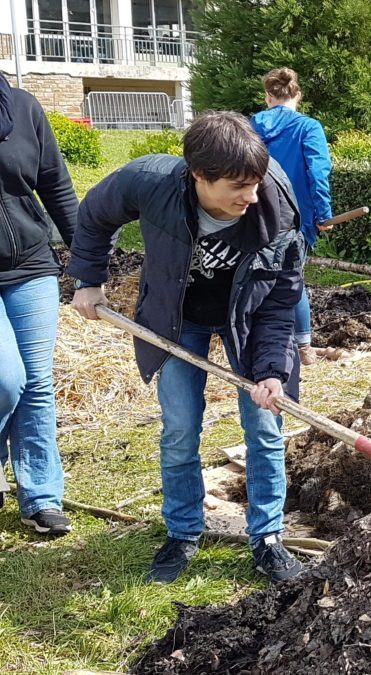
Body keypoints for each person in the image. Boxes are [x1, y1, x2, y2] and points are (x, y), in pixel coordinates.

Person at [67, 112, 307, 584]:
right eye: (238, 186)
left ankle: (268, 538)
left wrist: (272, 370)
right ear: (199, 174)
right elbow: (94, 213)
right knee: (179, 429)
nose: (251, 196)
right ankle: (182, 531)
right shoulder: (150, 180)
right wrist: (89, 280)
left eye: (256, 182)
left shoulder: (275, 207)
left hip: (252, 318)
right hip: (177, 318)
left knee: (264, 426)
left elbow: (281, 299)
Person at [0, 77, 79, 535]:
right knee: (5, 378)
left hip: (31, 264)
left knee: (36, 381)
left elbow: (57, 186)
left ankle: (41, 496)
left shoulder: (24, 108)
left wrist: (87, 260)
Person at [251, 67, 333, 366]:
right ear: (297, 95)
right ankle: (303, 348)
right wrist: (324, 214)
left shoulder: (252, 126)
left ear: (268, 96)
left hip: (254, 211)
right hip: (296, 217)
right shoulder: (309, 128)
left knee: (254, 275)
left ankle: (255, 338)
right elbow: (318, 173)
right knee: (292, 278)